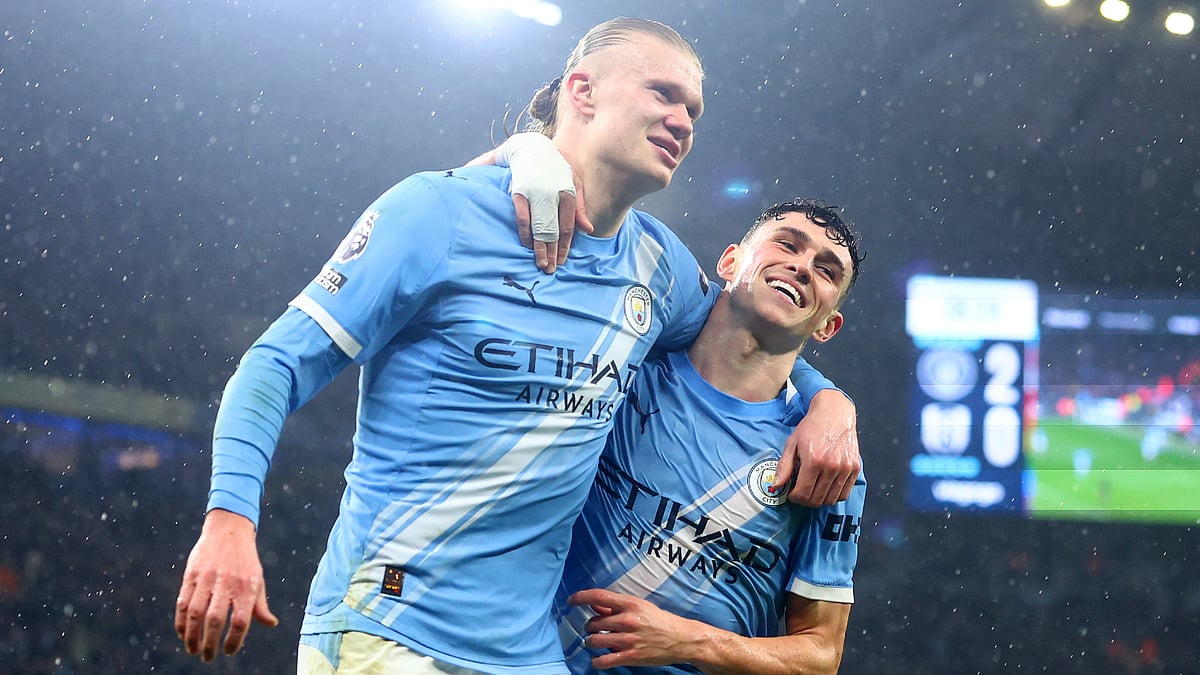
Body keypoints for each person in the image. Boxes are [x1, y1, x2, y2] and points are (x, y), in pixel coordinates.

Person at [173, 18, 859, 674]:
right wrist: (230, 519)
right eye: (663, 93)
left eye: (694, 110)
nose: (683, 120)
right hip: (390, 627)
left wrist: (832, 404)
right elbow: (274, 365)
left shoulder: (661, 267)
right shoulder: (437, 212)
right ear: (580, 91)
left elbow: (759, 333)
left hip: (526, 652)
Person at [556, 198, 866, 675]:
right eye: (787, 244)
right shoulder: (627, 366)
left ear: (829, 326)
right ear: (730, 262)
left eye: (826, 270)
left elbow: (821, 655)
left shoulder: (827, 458)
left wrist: (690, 642)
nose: (802, 267)